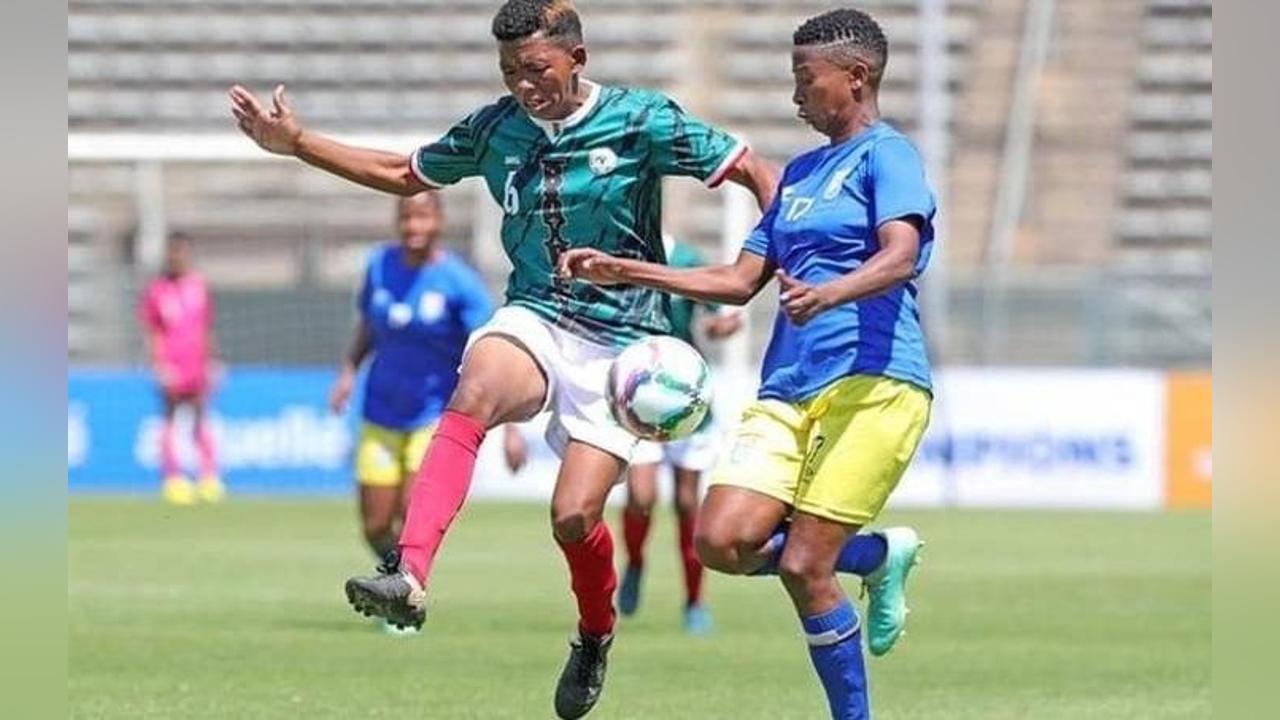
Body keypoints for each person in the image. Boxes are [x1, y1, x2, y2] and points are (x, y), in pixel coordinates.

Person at [228, 1, 777, 716]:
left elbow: (755, 171)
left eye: (537, 69)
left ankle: (595, 635)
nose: (523, 85)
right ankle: (409, 574)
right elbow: (403, 171)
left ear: (577, 59)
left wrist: (768, 262)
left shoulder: (641, 119)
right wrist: (298, 143)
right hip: (536, 315)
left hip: (622, 349)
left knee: (573, 518)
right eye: (510, 70)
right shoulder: (496, 129)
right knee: (475, 392)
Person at [560, 9, 932, 718]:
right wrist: (626, 269)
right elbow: (737, 280)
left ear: (856, 77)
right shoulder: (799, 175)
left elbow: (901, 255)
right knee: (722, 542)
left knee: (804, 565)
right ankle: (876, 556)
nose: (795, 94)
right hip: (788, 387)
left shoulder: (889, 155)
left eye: (805, 79)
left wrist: (830, 292)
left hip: (875, 383)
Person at [327, 192, 527, 633]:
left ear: (438, 221)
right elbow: (368, 325)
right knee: (375, 525)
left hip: (433, 417)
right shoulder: (380, 266)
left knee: (408, 513)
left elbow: (493, 352)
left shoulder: (459, 282)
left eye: (423, 217)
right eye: (406, 217)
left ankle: (404, 591)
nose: (414, 226)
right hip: (380, 411)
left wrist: (511, 428)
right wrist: (348, 371)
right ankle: (396, 588)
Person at [617, 235, 741, 636]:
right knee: (641, 497)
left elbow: (719, 312)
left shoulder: (686, 257)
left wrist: (722, 326)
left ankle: (695, 601)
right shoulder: (623, 252)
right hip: (640, 401)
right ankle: (635, 561)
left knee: (688, 504)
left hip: (684, 399)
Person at [138, 232, 225, 506]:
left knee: (201, 417)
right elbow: (152, 332)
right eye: (173, 253)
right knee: (170, 418)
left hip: (196, 363)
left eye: (181, 252)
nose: (177, 258)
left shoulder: (199, 286)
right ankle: (173, 479)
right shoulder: (157, 290)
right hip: (172, 363)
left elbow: (206, 327)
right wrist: (158, 365)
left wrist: (213, 361)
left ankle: (209, 477)